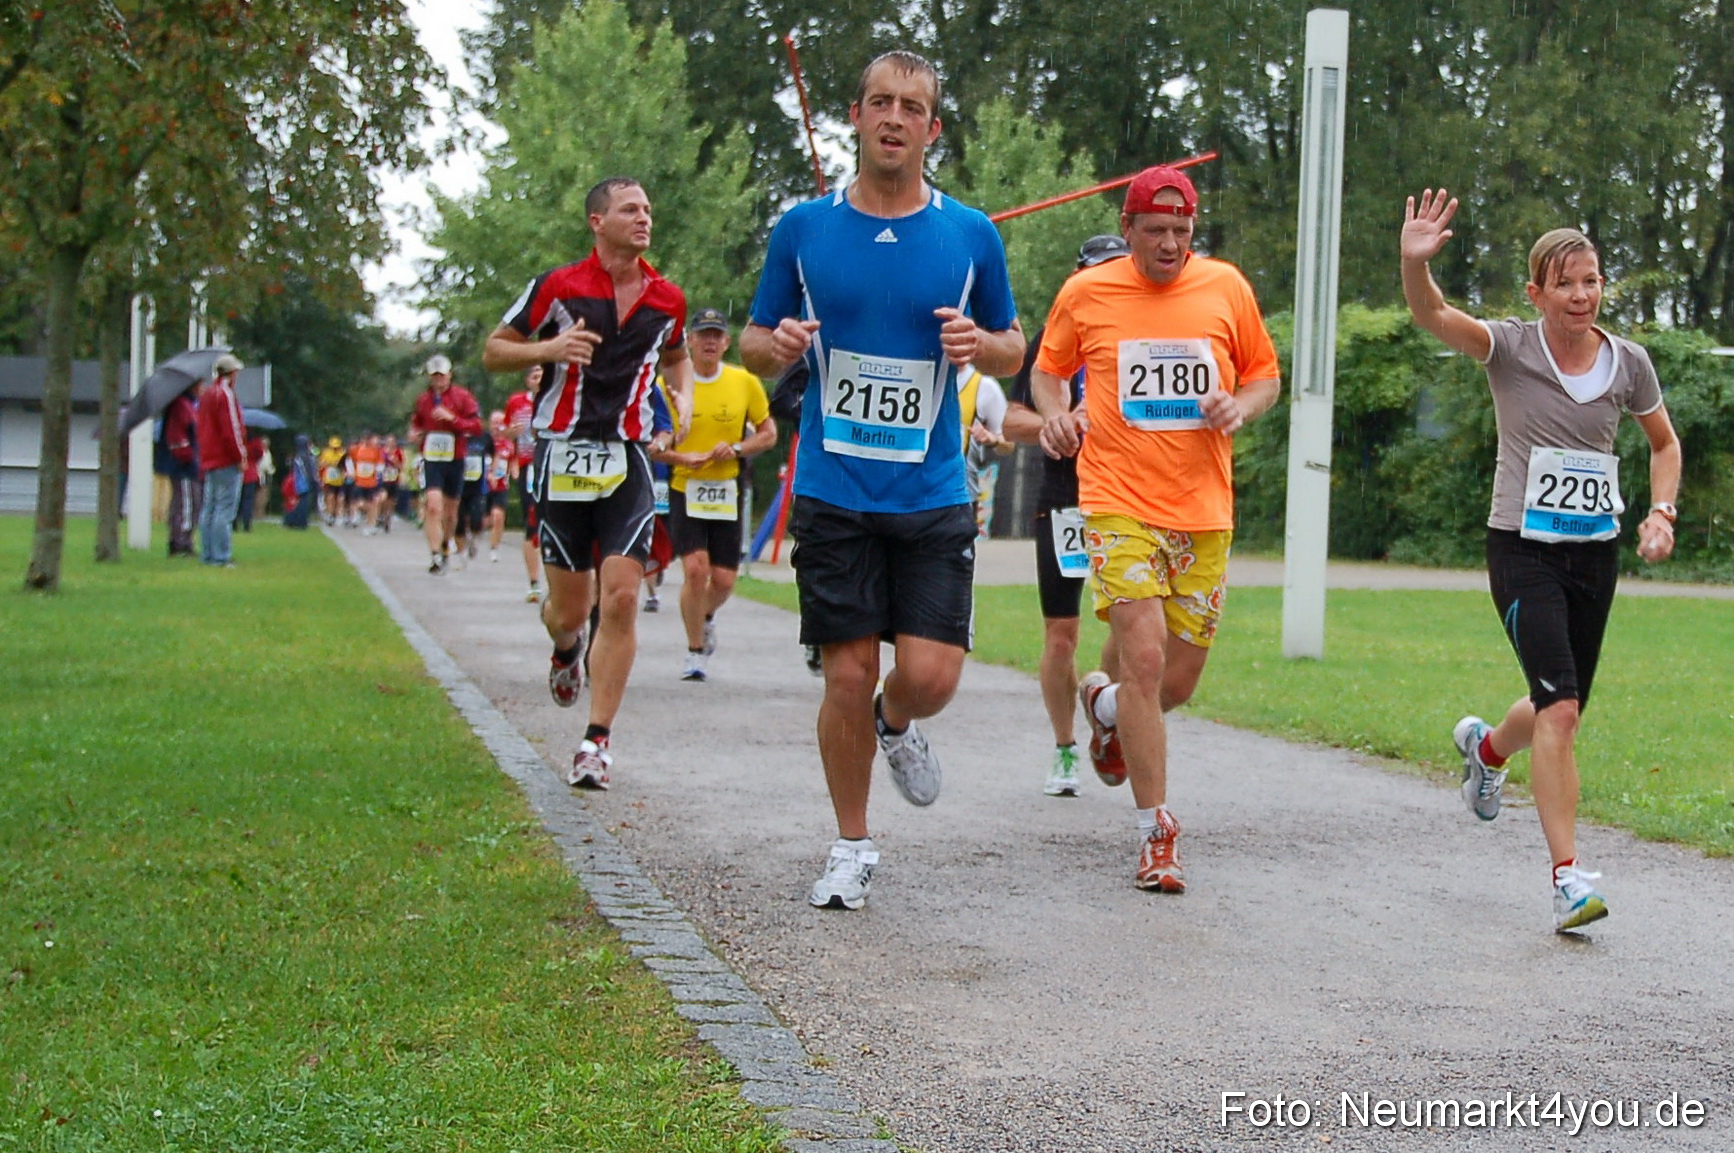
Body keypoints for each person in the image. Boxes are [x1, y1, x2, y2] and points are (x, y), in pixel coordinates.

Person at [740, 50, 1025, 911]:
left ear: (932, 129)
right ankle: (851, 844)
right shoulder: (803, 229)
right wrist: (780, 343)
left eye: (912, 107)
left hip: (934, 490)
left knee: (932, 676)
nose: (895, 118)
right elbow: (752, 340)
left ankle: (895, 726)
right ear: (856, 118)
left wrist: (982, 346)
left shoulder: (970, 233)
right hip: (834, 488)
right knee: (846, 671)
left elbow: (1016, 345)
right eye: (880, 103)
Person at [1400, 189, 1683, 933]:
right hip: (1522, 549)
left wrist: (1662, 511)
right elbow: (1432, 315)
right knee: (1559, 709)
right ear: (1537, 292)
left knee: (1562, 705)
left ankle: (1487, 749)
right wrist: (1415, 263)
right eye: (1566, 282)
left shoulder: (1631, 364)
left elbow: (1664, 444)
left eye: (1591, 280)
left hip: (1594, 553)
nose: (1582, 294)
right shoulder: (1512, 347)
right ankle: (1567, 880)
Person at [1032, 166, 1282, 894]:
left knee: (1174, 681)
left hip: (1203, 509)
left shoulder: (1226, 287)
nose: (1170, 244)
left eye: (1182, 232)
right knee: (1141, 659)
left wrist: (1243, 404)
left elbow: (1265, 374)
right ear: (1130, 225)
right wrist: (1055, 411)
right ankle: (1157, 834)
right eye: (1156, 231)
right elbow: (1049, 370)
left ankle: (1103, 705)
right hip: (1116, 499)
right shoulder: (1089, 291)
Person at [481, 176, 693, 791]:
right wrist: (550, 347)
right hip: (561, 456)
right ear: (598, 221)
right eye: (630, 209)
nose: (644, 217)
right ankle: (565, 646)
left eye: (649, 208)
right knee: (571, 609)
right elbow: (496, 350)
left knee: (622, 597)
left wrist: (677, 396)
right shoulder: (558, 285)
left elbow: (675, 353)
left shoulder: (666, 298)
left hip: (626, 458)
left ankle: (596, 741)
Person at [1004, 233, 1131, 797]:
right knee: (1062, 634)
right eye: (1096, 272)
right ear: (1077, 275)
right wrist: (1056, 424)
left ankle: (1107, 711)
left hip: (1129, 496)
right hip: (1064, 498)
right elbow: (1009, 420)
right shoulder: (1050, 342)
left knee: (1129, 626)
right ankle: (1063, 748)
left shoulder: (1143, 337)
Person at [657, 307, 776, 682]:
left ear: (726, 343)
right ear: (689, 341)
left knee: (724, 580)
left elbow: (768, 433)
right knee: (695, 570)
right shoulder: (669, 385)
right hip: (683, 485)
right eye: (702, 335)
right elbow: (650, 443)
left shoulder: (744, 382)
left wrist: (739, 449)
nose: (709, 342)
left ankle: (704, 616)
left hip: (726, 487)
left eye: (716, 336)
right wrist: (680, 456)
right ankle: (695, 652)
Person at [410, 354, 484, 574]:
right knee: (433, 506)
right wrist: (414, 433)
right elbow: (416, 423)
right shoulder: (423, 400)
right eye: (434, 376)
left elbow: (477, 427)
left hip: (455, 457)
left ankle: (444, 547)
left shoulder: (463, 397)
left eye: (441, 375)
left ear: (450, 374)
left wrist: (452, 419)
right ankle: (434, 555)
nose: (438, 380)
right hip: (432, 458)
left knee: (451, 512)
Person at [195, 353, 248, 567]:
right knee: (224, 509)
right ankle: (221, 556)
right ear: (233, 373)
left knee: (209, 507)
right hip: (225, 458)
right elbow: (232, 430)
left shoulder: (207, 394)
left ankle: (207, 553)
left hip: (209, 457)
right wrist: (240, 456)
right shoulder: (225, 395)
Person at [505, 366, 545, 601]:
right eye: (534, 376)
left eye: (542, 375)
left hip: (553, 465)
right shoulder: (517, 402)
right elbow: (506, 435)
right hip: (528, 465)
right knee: (531, 522)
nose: (538, 380)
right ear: (527, 380)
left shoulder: (558, 398)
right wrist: (512, 432)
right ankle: (533, 582)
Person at [161, 381, 203, 557]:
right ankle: (181, 542)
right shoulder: (181, 406)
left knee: (185, 502)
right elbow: (178, 437)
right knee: (188, 503)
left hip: (188, 465)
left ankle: (180, 539)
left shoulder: (189, 405)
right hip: (184, 467)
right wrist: (189, 457)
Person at [486, 410, 515, 561]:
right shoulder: (484, 442)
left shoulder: (509, 445)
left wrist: (514, 474)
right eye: (494, 423)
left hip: (501, 486)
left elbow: (513, 463)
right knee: (481, 520)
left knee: (498, 517)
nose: (498, 427)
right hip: (482, 486)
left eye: (501, 423)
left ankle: (494, 548)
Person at [350, 431, 385, 534]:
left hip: (371, 482)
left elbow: (380, 466)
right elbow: (350, 460)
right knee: (359, 503)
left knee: (373, 504)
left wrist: (378, 473)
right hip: (359, 481)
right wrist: (352, 471)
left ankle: (371, 525)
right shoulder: (356, 449)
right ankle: (360, 516)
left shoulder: (375, 451)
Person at [283, 434, 317, 529]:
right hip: (304, 483)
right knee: (303, 503)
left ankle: (292, 521)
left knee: (294, 502)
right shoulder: (307, 456)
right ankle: (301, 522)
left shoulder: (297, 456)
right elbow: (310, 471)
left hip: (296, 482)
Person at [237, 430, 266, 532]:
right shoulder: (255, 440)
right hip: (251, 473)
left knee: (237, 500)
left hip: (239, 472)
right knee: (248, 501)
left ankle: (234, 524)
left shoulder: (239, 438)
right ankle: (246, 524)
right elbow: (261, 454)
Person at [317, 436, 347, 526]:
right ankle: (329, 515)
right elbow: (321, 463)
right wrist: (330, 464)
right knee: (330, 497)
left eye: (336, 447)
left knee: (340, 499)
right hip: (329, 478)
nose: (335, 449)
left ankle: (338, 515)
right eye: (333, 447)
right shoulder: (326, 452)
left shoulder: (343, 453)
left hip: (340, 479)